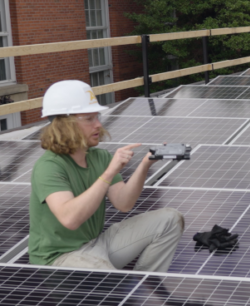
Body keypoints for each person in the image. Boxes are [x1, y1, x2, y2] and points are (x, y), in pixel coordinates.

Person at [29, 80, 184, 272]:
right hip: (60, 257)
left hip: (97, 244)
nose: (98, 125)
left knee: (170, 219)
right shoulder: (49, 166)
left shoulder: (99, 156)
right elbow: (70, 219)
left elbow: (124, 203)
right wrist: (109, 172)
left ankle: (144, 285)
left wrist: (145, 165)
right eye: (89, 119)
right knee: (105, 276)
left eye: (97, 117)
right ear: (64, 125)